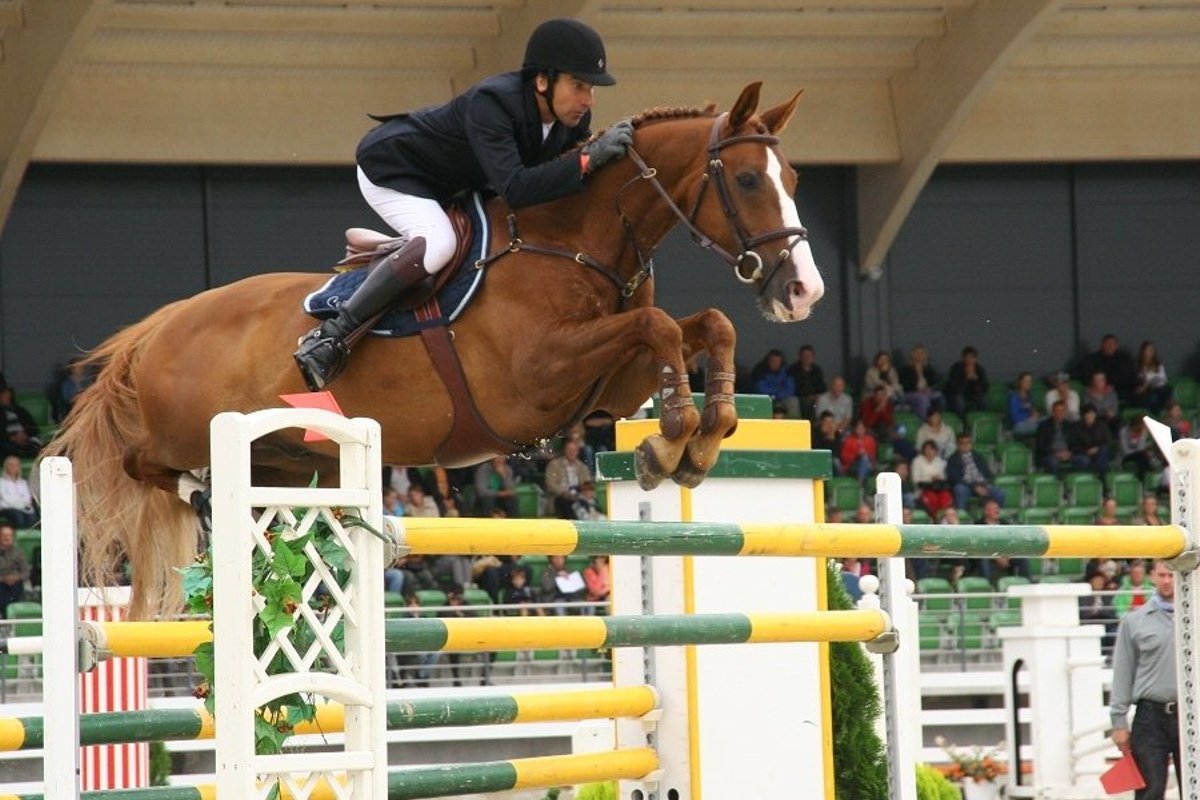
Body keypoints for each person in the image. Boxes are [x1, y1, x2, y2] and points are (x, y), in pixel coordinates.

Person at [294, 18, 629, 390]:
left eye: (592, 89)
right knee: (440, 244)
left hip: (452, 185)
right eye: (579, 85)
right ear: (542, 80)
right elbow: (517, 187)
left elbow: (558, 182)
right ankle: (331, 337)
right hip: (394, 171)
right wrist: (586, 161)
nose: (588, 99)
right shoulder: (494, 102)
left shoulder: (571, 121)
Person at [1110, 560, 1180, 800]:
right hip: (1151, 716)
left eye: (1172, 575)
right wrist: (1119, 721)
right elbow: (1123, 672)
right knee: (1149, 791)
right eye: (1162, 575)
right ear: (1152, 576)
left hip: (1192, 712)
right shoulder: (1134, 621)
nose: (1167, 581)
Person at [946, 432, 1004, 510]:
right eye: (963, 443)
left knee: (999, 493)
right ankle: (962, 516)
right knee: (960, 489)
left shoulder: (978, 456)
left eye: (968, 442)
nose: (966, 445)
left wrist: (987, 484)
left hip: (982, 484)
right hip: (966, 486)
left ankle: (995, 516)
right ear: (958, 445)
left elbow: (988, 473)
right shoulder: (952, 459)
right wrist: (974, 487)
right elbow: (954, 478)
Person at [1079, 333, 1137, 405]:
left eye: (1113, 344)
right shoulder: (1093, 359)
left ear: (1116, 345)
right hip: (1098, 391)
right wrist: (1103, 387)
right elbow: (1087, 376)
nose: (1110, 346)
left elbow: (1128, 376)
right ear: (1102, 345)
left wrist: (1113, 386)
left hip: (1122, 390)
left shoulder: (1124, 359)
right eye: (1107, 344)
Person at [1035, 400, 1089, 476]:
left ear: (1066, 412)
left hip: (1068, 454)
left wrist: (1070, 453)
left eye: (1063, 411)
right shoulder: (1044, 426)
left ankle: (1075, 482)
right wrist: (1056, 454)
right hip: (1051, 454)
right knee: (1053, 462)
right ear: (1053, 412)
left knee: (1084, 460)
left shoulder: (1071, 426)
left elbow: (1078, 444)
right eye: (1058, 411)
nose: (1060, 413)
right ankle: (1057, 485)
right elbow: (1041, 446)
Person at [544, 437, 594, 518]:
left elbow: (587, 484)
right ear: (564, 450)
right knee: (565, 502)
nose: (572, 452)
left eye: (574, 450)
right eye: (569, 450)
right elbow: (550, 484)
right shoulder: (554, 465)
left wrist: (586, 492)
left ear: (578, 452)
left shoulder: (582, 466)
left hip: (578, 495)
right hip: (560, 496)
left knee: (590, 502)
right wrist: (564, 492)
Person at [898, 344, 943, 421]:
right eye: (917, 353)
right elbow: (905, 386)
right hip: (910, 393)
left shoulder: (929, 369)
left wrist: (929, 389)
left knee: (939, 396)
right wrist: (918, 374)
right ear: (912, 355)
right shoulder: (906, 369)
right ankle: (925, 421)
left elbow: (935, 383)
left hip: (926, 393)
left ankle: (936, 419)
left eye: (922, 353)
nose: (920, 355)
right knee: (923, 398)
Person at [752, 349, 799, 418]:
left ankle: (794, 425)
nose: (775, 363)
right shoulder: (760, 370)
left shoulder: (787, 371)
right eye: (773, 361)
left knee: (793, 401)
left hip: (782, 398)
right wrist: (775, 393)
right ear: (768, 361)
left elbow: (790, 389)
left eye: (778, 361)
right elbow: (760, 388)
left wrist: (778, 395)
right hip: (766, 399)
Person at [943, 346, 989, 417]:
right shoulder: (956, 367)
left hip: (971, 394)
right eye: (967, 357)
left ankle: (981, 419)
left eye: (972, 357)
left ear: (976, 359)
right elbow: (954, 387)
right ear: (963, 358)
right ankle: (961, 421)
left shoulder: (979, 369)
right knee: (959, 400)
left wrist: (976, 380)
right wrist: (966, 378)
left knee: (983, 399)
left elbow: (985, 387)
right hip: (956, 393)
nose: (970, 360)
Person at [912, 440, 953, 519]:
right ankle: (935, 519)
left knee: (946, 495)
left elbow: (943, 478)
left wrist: (938, 478)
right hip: (923, 488)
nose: (929, 451)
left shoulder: (940, 461)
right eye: (927, 449)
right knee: (932, 497)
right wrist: (930, 478)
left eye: (931, 449)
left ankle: (944, 518)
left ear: (936, 451)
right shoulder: (917, 461)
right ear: (923, 450)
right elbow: (915, 480)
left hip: (938, 488)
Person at [0, 383, 42, 459]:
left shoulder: (20, 411)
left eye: (6, 393)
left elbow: (34, 429)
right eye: (3, 394)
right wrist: (12, 438)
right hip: (7, 444)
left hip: (26, 441)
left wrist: (25, 435)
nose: (6, 396)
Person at [787, 345, 827, 421]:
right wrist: (807, 396)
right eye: (805, 355)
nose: (807, 357)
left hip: (815, 398)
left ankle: (818, 427)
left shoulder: (817, 370)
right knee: (805, 403)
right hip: (800, 398)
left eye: (810, 355)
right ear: (800, 356)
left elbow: (822, 387)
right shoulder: (792, 370)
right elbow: (791, 388)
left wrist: (818, 395)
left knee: (821, 401)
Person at [1133, 341, 1170, 416]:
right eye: (1148, 350)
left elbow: (1164, 379)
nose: (1150, 352)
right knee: (1154, 397)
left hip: (1158, 389)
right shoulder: (1137, 366)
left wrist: (1156, 380)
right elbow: (1138, 382)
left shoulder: (1158, 365)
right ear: (1143, 351)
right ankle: (1156, 416)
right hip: (1145, 392)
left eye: (1152, 350)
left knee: (1165, 390)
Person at [0, 455, 37, 528]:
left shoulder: (23, 483)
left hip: (23, 507)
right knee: (18, 516)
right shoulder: (1, 482)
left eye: (16, 465)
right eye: (11, 465)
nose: (14, 467)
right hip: (7, 508)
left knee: (33, 516)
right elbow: (6, 499)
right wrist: (20, 503)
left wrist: (21, 504)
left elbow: (27, 498)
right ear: (6, 467)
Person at [0, 522, 28, 618]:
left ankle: (13, 619)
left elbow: (26, 572)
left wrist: (16, 577)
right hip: (1, 583)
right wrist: (3, 579)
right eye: (4, 535)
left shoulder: (19, 552)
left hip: (16, 583)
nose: (7, 538)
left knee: (16, 587)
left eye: (9, 535)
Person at [1078, 403, 1113, 477]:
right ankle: (1101, 478)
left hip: (1100, 451)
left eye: (1092, 413)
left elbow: (1108, 441)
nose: (1090, 416)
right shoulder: (1078, 427)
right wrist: (1086, 451)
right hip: (1085, 452)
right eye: (1087, 414)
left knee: (1103, 451)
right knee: (1084, 460)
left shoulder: (1102, 425)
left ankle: (1099, 475)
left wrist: (1097, 448)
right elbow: (1075, 444)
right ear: (1083, 415)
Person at [839, 420, 877, 485]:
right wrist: (856, 455)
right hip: (853, 465)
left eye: (862, 428)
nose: (860, 430)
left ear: (865, 429)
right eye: (858, 428)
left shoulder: (870, 440)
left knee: (865, 459)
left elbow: (873, 455)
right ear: (855, 429)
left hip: (868, 464)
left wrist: (865, 453)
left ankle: (860, 482)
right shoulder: (849, 440)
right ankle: (861, 483)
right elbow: (844, 457)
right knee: (865, 461)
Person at [1085, 371, 1121, 435]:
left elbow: (1115, 405)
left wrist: (1112, 412)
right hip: (1097, 418)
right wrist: (1104, 412)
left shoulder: (1111, 391)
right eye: (1097, 380)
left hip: (1111, 416)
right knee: (1102, 425)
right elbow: (1088, 409)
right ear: (1093, 382)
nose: (1099, 382)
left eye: (1101, 380)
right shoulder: (1088, 394)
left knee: (1119, 422)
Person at [1007, 371, 1041, 437]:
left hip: (1029, 422)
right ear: (1020, 382)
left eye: (1030, 381)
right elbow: (1015, 418)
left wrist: (1035, 414)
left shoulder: (1030, 396)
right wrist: (1029, 418)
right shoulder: (1014, 397)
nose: (1028, 383)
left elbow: (1031, 410)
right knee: (1044, 427)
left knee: (1049, 420)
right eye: (1026, 381)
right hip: (1018, 425)